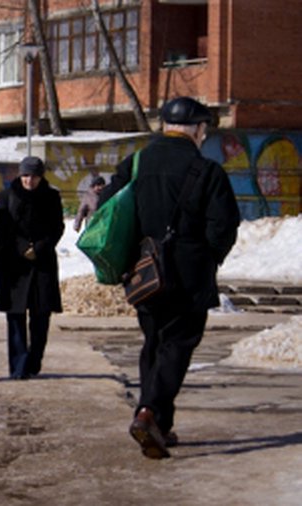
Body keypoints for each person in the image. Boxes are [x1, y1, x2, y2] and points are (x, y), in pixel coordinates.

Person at [99, 96, 240, 459]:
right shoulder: (207, 171)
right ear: (197, 129)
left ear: (165, 126)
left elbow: (110, 210)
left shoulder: (135, 164)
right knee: (177, 345)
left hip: (144, 271)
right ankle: (148, 412)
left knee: (154, 343)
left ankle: (160, 425)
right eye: (204, 129)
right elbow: (224, 226)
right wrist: (209, 258)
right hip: (189, 276)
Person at [0, 156, 64, 380]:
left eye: (34, 176)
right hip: (14, 264)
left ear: (41, 177)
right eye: (26, 175)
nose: (30, 180)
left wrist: (39, 247)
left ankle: (34, 360)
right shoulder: (7, 195)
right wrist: (20, 247)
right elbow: (1, 229)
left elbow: (57, 227)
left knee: (41, 315)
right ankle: (19, 366)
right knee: (15, 315)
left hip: (42, 262)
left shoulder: (51, 197)